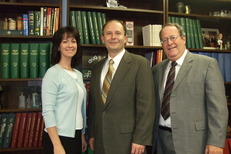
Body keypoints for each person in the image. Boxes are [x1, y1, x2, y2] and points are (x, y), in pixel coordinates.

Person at [152, 23, 228, 154]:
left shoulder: (207, 65)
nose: (169, 43)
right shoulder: (157, 69)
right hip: (161, 140)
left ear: (183, 39)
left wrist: (215, 142)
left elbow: (218, 108)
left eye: (173, 37)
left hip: (193, 142)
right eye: (164, 40)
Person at [88, 20, 155, 154]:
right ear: (103, 38)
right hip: (100, 141)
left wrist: (141, 139)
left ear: (125, 38)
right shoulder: (97, 67)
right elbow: (94, 106)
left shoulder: (140, 64)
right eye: (109, 33)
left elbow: (146, 105)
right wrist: (92, 133)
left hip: (129, 143)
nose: (113, 37)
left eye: (117, 33)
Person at [42, 26, 87, 154]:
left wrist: (82, 134)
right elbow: (47, 111)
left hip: (76, 135)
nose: (70, 45)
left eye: (73, 41)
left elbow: (79, 108)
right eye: (65, 41)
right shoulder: (52, 73)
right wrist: (56, 145)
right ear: (58, 46)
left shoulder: (78, 74)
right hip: (59, 136)